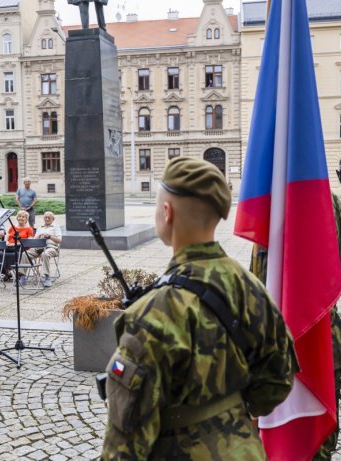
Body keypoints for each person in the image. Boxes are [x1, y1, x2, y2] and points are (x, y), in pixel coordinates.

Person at [101, 157, 298, 459]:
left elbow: (125, 442)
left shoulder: (151, 313)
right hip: (246, 450)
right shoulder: (251, 286)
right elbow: (278, 379)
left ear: (167, 213)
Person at [249, 192, 341, 461]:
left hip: (294, 345)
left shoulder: (274, 200)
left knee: (303, 444)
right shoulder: (330, 201)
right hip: (322, 338)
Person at [0, 210, 34, 282]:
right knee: (1, 254)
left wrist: (16, 244)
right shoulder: (12, 227)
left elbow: (29, 241)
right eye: (19, 216)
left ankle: (18, 274)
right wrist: (7, 242)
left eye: (23, 217)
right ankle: (6, 272)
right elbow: (8, 237)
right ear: (17, 218)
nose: (21, 218)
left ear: (26, 219)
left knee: (16, 254)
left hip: (20, 247)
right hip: (9, 246)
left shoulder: (29, 229)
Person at [21, 211, 62, 288]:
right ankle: (22, 276)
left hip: (51, 247)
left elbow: (59, 240)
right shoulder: (40, 227)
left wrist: (50, 236)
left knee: (45, 254)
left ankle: (47, 277)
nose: (47, 219)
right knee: (24, 254)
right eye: (45, 217)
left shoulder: (56, 227)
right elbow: (34, 240)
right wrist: (38, 237)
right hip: (38, 247)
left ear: (53, 219)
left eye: (49, 218)